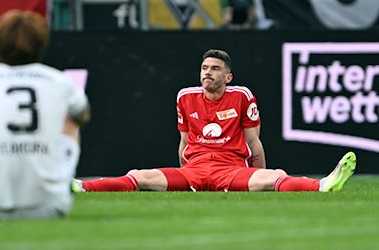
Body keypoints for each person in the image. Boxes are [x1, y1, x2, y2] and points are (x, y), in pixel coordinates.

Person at [73, 49, 355, 193]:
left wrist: (257, 176)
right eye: (205, 68)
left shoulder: (242, 96)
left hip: (230, 170)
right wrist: (188, 176)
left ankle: (324, 184)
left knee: (275, 176)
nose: (208, 73)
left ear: (227, 77)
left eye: (215, 69)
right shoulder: (185, 97)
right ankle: (81, 186)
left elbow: (254, 143)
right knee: (138, 175)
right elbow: (183, 144)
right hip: (194, 170)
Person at [0, 9, 90, 219]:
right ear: (42, 43)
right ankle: (61, 183)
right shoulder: (59, 81)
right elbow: (83, 115)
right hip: (51, 207)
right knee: (71, 118)